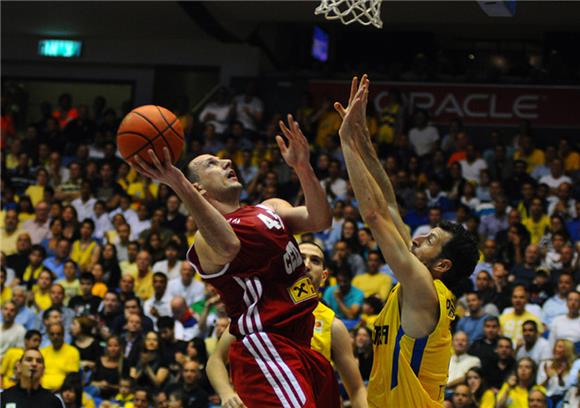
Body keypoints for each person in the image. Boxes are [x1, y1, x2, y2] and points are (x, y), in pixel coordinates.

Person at [130, 112, 339, 407]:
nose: (226, 162)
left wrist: (303, 167)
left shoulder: (270, 208)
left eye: (222, 159)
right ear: (198, 188)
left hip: (300, 345)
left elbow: (320, 219)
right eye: (211, 164)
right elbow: (229, 245)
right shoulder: (205, 241)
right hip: (266, 346)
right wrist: (177, 182)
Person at [335, 75, 479, 406]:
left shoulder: (422, 287)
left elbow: (372, 215)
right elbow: (387, 203)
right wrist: (361, 136)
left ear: (442, 264)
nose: (417, 239)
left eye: (430, 240)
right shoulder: (422, 282)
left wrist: (345, 144)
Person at [206, 241, 367, 407]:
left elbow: (357, 390)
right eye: (300, 258)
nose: (306, 265)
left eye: (315, 260)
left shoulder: (333, 325)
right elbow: (215, 361)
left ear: (324, 276)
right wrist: (226, 393)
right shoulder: (257, 310)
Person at [0, 348, 65, 407]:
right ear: (19, 367)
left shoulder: (53, 401)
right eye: (29, 360)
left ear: (43, 370)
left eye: (39, 361)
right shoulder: (4, 397)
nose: (34, 364)